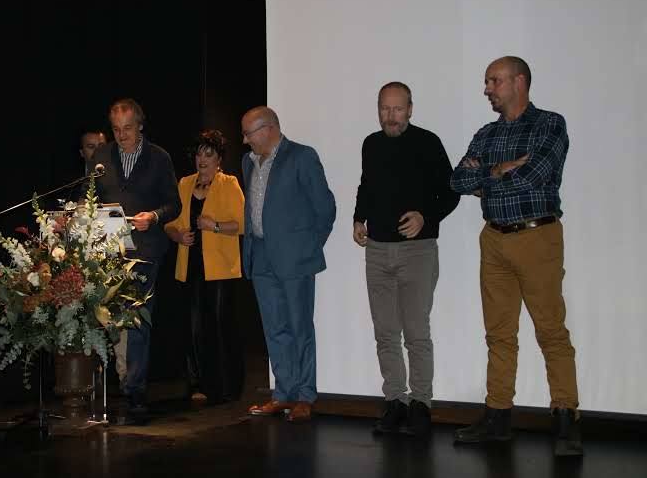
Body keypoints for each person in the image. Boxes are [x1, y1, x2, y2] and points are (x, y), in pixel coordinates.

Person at [450, 56, 582, 456]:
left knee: (551, 332)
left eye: (494, 80)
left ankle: (565, 421)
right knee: (499, 335)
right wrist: (499, 170)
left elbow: (536, 174)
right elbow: (458, 180)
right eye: (488, 81)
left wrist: (486, 175)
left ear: (519, 81)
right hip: (493, 239)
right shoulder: (486, 133)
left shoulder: (549, 124)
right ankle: (498, 417)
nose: (487, 88)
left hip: (536, 236)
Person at [353, 82, 459, 436]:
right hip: (377, 250)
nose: (391, 116)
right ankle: (395, 402)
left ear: (411, 109)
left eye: (398, 109)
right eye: (385, 108)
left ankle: (421, 405)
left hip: (418, 250)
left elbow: (451, 191)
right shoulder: (371, 143)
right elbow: (366, 184)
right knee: (385, 333)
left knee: (416, 333)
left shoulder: (428, 143)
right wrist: (358, 217)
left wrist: (426, 217)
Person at [241, 106, 336, 423]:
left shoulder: (302, 156)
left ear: (268, 129)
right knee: (274, 328)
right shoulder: (248, 162)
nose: (245, 140)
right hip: (260, 253)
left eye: (248, 133)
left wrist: (307, 247)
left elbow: (325, 207)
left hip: (295, 257)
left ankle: (305, 396)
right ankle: (284, 393)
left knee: (299, 327)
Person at [92, 98, 181, 417]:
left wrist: (154, 216)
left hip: (145, 250)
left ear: (140, 125)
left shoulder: (159, 158)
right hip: (108, 251)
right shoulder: (101, 156)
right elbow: (87, 196)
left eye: (128, 128)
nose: (122, 135)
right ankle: (119, 381)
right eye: (116, 129)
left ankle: (135, 390)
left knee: (138, 320)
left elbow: (175, 205)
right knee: (111, 320)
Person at [164, 130, 245, 404]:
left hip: (221, 269)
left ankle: (227, 385)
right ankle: (198, 384)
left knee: (221, 327)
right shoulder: (185, 184)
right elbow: (170, 224)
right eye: (199, 153)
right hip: (190, 266)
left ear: (219, 159)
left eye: (209, 154)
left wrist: (215, 226)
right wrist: (178, 235)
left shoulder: (229, 183)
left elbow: (242, 224)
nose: (202, 159)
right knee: (193, 327)